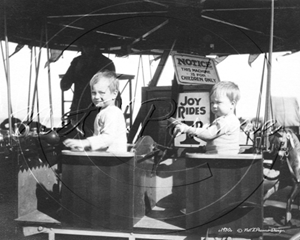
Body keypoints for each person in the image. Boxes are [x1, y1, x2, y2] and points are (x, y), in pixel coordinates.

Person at [60, 44, 117, 137]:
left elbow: (64, 85)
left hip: (89, 110)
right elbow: (64, 85)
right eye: (86, 45)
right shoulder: (106, 62)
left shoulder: (79, 62)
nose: (88, 49)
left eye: (90, 45)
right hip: (89, 110)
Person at [63, 70, 127, 152]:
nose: (96, 97)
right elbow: (99, 138)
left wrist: (85, 142)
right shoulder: (104, 112)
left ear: (114, 94)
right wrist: (87, 147)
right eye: (93, 93)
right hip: (105, 157)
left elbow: (108, 138)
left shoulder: (112, 112)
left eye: (101, 93)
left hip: (113, 160)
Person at [174, 81, 241, 154]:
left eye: (218, 102)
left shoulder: (227, 121)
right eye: (212, 102)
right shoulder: (227, 119)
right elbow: (211, 136)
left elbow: (208, 134)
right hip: (220, 157)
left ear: (232, 104)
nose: (214, 106)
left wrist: (186, 129)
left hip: (222, 159)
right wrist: (194, 132)